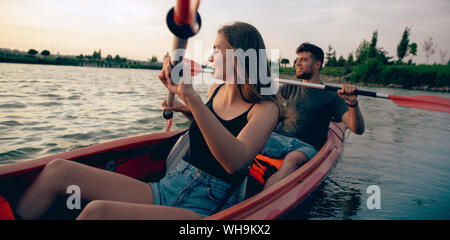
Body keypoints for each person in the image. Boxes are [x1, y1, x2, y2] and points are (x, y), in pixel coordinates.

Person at [15, 22, 281, 220]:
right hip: (171, 183)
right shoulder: (217, 90)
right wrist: (185, 106)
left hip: (204, 208)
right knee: (58, 170)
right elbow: (216, 127)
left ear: (241, 55)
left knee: (98, 214)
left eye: (218, 50)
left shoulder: (265, 109)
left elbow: (235, 162)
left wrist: (193, 98)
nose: (210, 57)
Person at [262, 42, 365, 189]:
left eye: (304, 60)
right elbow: (267, 108)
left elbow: (357, 129)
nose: (298, 63)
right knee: (247, 139)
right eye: (297, 60)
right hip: (279, 138)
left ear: (317, 64)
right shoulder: (288, 87)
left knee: (294, 159)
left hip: (306, 146)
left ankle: (262, 200)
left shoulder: (331, 96)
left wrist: (352, 103)